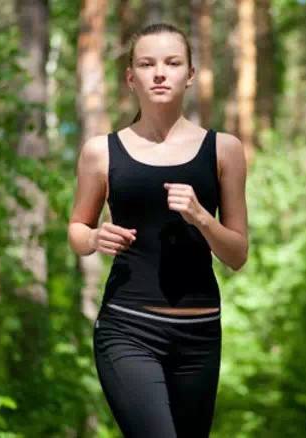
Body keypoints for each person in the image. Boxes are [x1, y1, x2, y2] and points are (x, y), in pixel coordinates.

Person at [67, 22, 249, 438]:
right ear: (131, 78)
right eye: (147, 64)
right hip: (128, 329)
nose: (160, 73)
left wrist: (202, 217)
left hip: (200, 334)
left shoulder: (224, 150)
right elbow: (77, 228)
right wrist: (95, 238)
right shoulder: (101, 151)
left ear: (190, 74)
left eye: (172, 62)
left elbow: (237, 254)